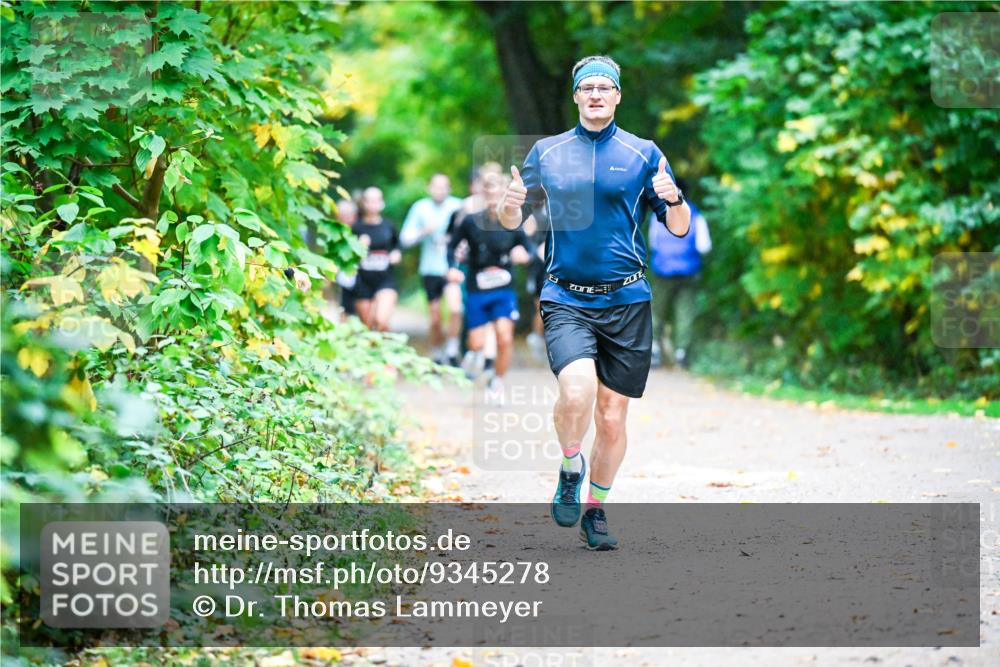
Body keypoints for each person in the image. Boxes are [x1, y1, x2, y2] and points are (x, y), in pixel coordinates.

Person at [498, 55, 691, 550]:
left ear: (618, 96)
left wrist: (674, 200)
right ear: (577, 96)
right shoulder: (547, 152)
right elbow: (509, 220)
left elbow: (678, 227)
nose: (597, 94)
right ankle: (569, 466)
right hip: (566, 295)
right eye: (589, 87)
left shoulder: (645, 153)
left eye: (606, 87)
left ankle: (595, 508)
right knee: (578, 391)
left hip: (627, 298)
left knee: (611, 417)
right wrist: (509, 202)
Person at [447, 172, 533, 394]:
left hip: (504, 289)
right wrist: (452, 269)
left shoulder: (513, 222)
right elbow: (452, 246)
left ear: (505, 193)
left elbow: (529, 248)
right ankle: (474, 357)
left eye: (498, 192)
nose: (493, 197)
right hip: (477, 288)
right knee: (476, 344)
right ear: (483, 194)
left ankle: (498, 380)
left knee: (504, 337)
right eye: (489, 192)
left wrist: (524, 254)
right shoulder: (470, 221)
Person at [400, 174, 463, 365]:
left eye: (444, 187)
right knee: (435, 318)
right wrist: (423, 232)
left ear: (449, 188)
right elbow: (405, 239)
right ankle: (437, 353)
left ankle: (452, 350)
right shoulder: (420, 208)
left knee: (455, 309)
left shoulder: (458, 206)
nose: (440, 190)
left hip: (451, 268)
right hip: (430, 269)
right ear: (429, 188)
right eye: (436, 186)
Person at [648, 180, 711, 368]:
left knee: (656, 311)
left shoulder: (657, 216)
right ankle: (682, 353)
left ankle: (654, 351)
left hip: (662, 270)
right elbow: (704, 246)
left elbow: (653, 244)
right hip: (689, 272)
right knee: (685, 311)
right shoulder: (697, 215)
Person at [353, 187, 401, 332]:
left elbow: (397, 247)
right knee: (367, 327)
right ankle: (375, 353)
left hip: (385, 280)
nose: (373, 204)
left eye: (377, 200)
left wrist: (396, 255)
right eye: (370, 200)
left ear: (382, 203)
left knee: (381, 320)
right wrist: (359, 247)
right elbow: (347, 256)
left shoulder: (388, 225)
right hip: (363, 281)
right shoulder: (356, 227)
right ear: (364, 203)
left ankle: (389, 350)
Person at [334, 198, 360, 321]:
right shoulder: (335, 234)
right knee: (344, 310)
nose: (344, 218)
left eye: (347, 215)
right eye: (341, 215)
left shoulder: (361, 232)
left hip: (361, 279)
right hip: (344, 280)